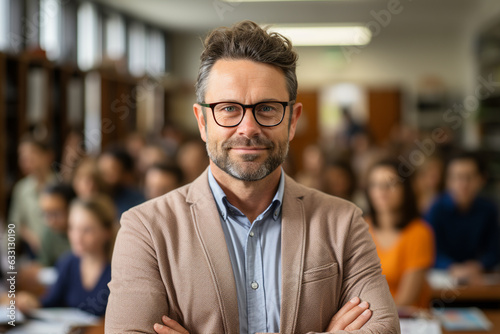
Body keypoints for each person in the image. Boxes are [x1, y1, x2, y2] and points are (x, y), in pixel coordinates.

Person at [106, 21, 399, 334]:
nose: (248, 128)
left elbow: (383, 329)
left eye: (267, 108)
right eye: (229, 108)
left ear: (292, 120)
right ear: (202, 122)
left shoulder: (343, 221)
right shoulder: (146, 229)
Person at [17, 195, 116, 317]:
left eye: (87, 230)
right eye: (72, 228)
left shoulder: (118, 270)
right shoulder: (68, 263)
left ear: (107, 232)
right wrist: (31, 303)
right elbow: (50, 302)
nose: (77, 237)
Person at [365, 160, 435, 307]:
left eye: (390, 184)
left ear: (405, 189)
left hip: (405, 321)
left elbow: (406, 299)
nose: (382, 191)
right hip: (365, 319)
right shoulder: (360, 228)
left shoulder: (419, 232)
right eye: (375, 185)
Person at [425, 151, 500, 281]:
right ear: (447, 181)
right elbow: (429, 251)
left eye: (469, 177)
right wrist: (452, 267)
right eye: (457, 177)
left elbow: (495, 249)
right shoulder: (435, 209)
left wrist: (479, 265)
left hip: (478, 276)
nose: (463, 184)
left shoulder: (488, 209)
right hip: (444, 277)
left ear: (482, 179)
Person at [8, 136, 57, 256]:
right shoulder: (21, 189)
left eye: (32, 153)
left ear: (48, 156)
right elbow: (13, 225)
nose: (26, 159)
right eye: (22, 155)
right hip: (33, 253)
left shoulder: (60, 185)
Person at [97, 147, 145, 217]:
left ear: (126, 174)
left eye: (111, 171)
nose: (103, 176)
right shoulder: (93, 194)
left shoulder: (135, 202)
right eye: (102, 170)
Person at [38, 182, 76, 267]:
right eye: (46, 214)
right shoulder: (49, 233)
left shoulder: (81, 234)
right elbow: (44, 265)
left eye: (56, 214)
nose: (50, 221)